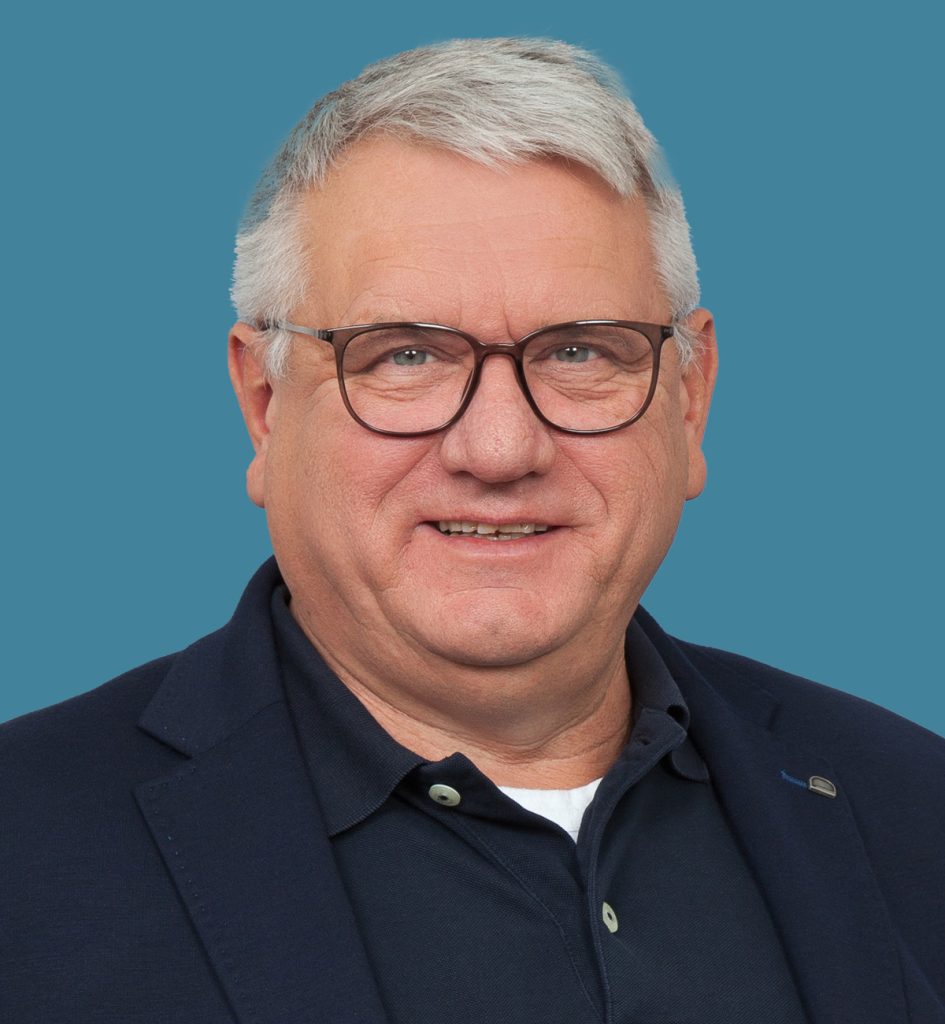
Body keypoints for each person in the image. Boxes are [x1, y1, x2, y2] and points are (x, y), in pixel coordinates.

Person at [1, 37, 942, 1024]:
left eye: (580, 351)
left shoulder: (915, 806)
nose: (499, 448)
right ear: (265, 406)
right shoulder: (23, 854)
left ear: (689, 399)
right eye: (404, 356)